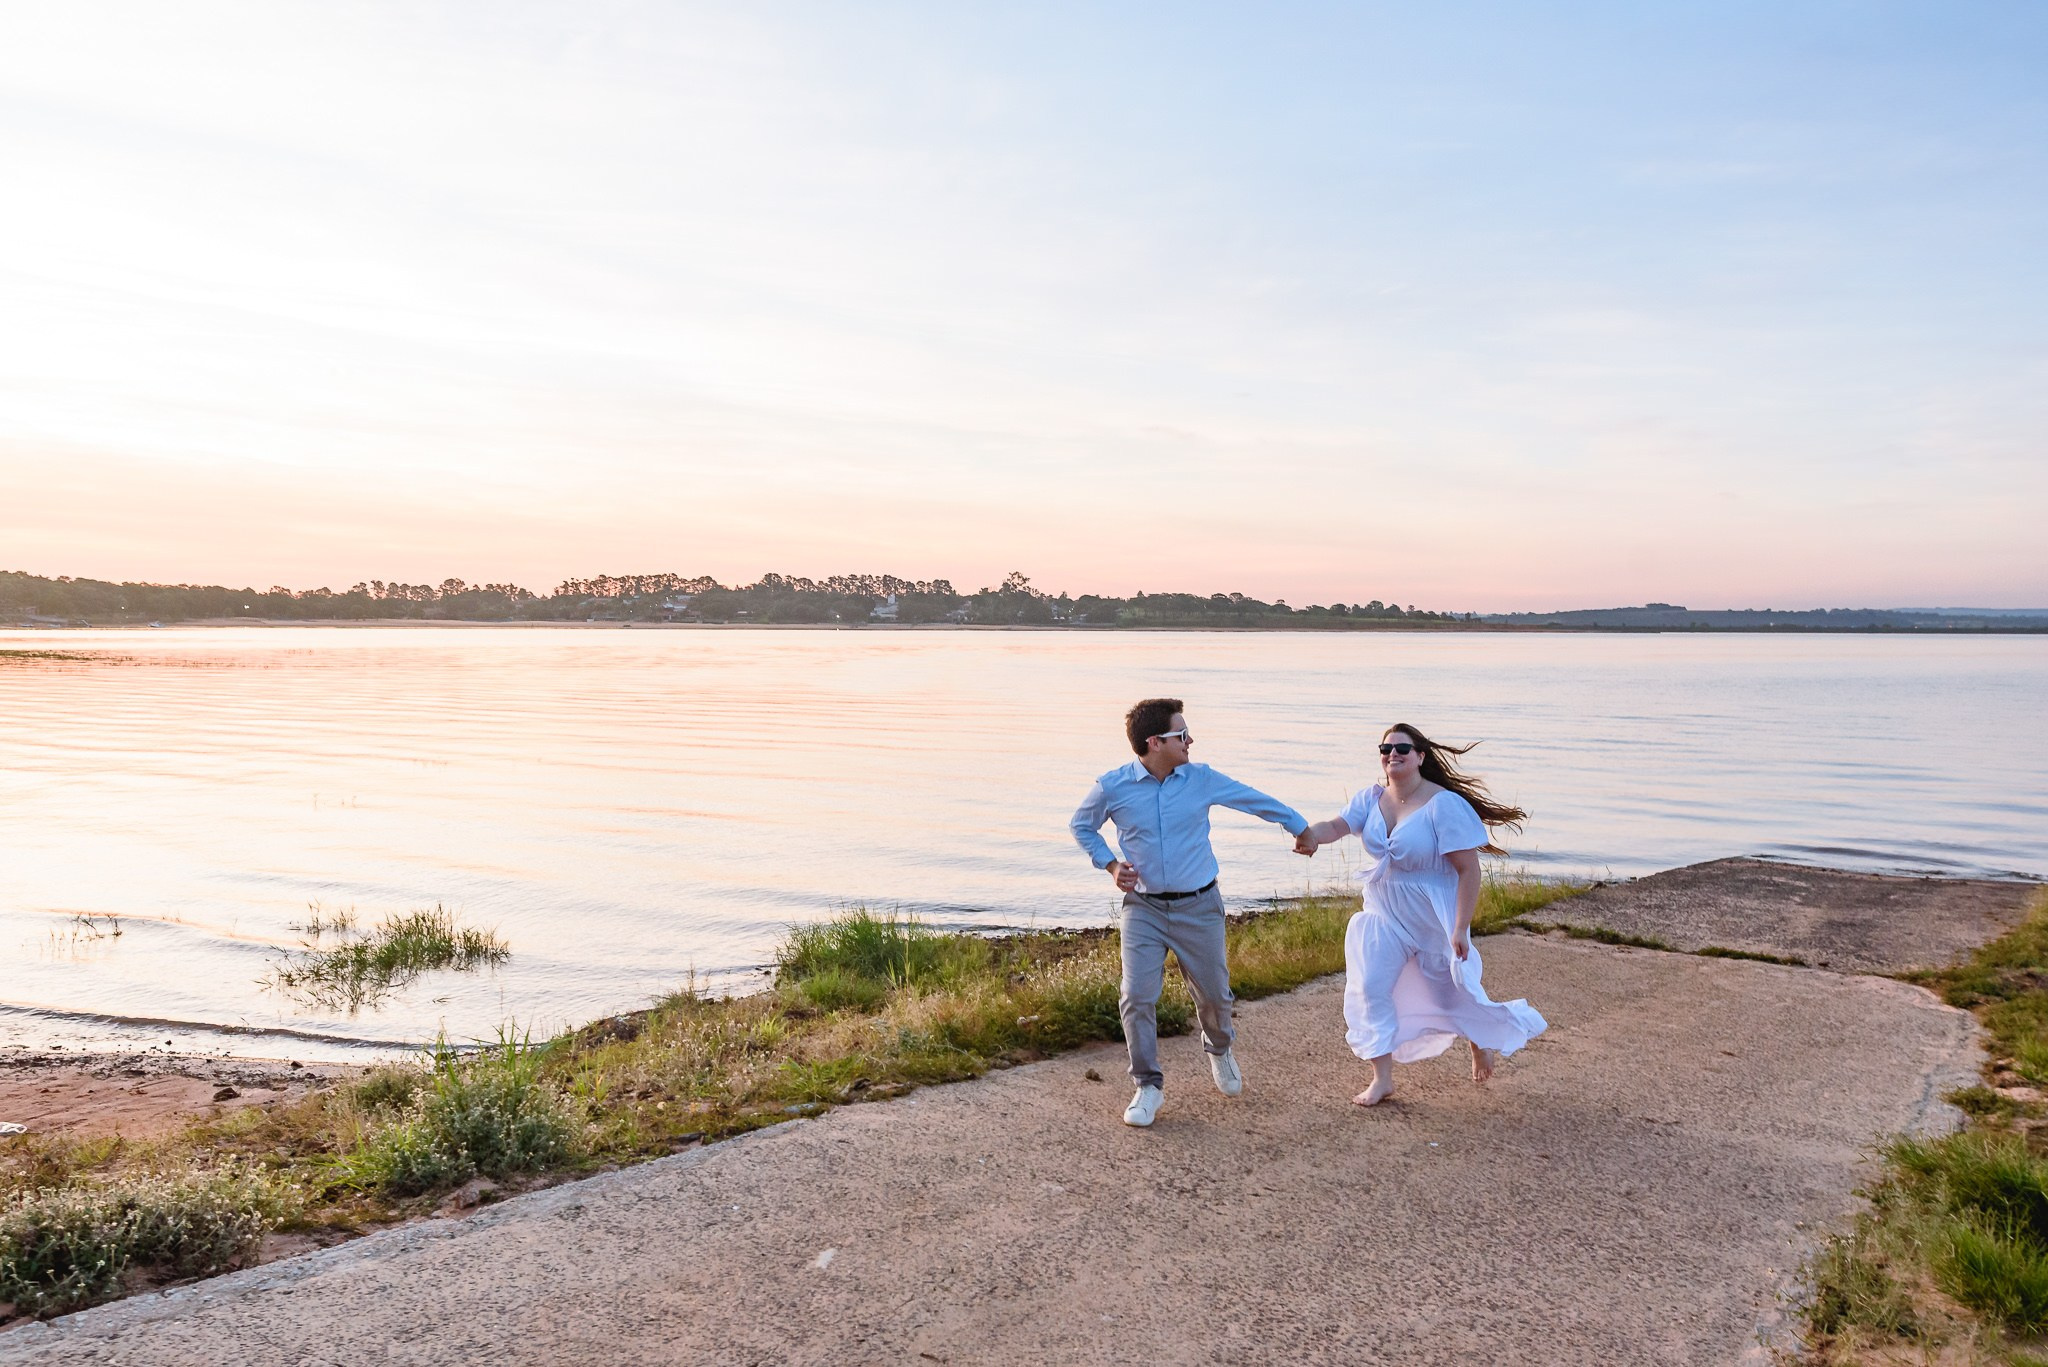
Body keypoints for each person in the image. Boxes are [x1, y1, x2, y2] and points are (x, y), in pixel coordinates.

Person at [1070, 697, 1310, 1128]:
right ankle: (1147, 1085)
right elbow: (1082, 825)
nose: (1190, 740)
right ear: (1155, 742)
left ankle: (1219, 1048)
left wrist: (1300, 826)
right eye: (1182, 735)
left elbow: (1251, 799)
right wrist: (1110, 864)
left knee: (1215, 995)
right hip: (1142, 909)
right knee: (1136, 995)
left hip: (1200, 906)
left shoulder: (1201, 779)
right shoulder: (1112, 786)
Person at [1295, 723, 1546, 1106]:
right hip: (1384, 910)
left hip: (1432, 915)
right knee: (1370, 986)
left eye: (1402, 748)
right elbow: (1336, 825)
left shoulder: (1442, 805)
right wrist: (1310, 834)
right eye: (1386, 748)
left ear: (1420, 757)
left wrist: (1460, 926)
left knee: (1450, 995)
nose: (1392, 754)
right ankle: (1382, 1078)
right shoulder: (1370, 799)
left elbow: (1468, 870)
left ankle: (1479, 1040)